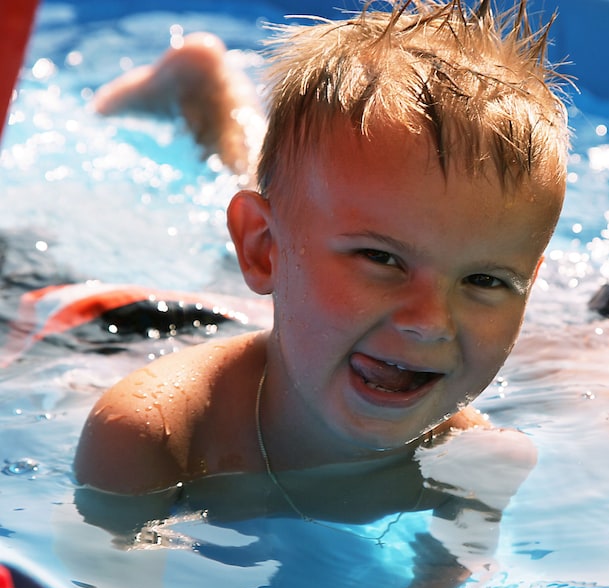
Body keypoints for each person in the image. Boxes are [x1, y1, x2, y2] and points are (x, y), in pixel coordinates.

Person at [72, 0, 570, 498]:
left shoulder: (477, 464)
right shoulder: (154, 437)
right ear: (262, 250)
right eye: (381, 258)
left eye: (484, 280)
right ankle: (209, 97)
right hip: (117, 327)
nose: (430, 322)